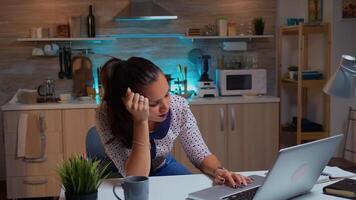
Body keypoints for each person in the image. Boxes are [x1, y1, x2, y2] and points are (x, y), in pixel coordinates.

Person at [95, 57, 251, 188]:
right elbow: (136, 178)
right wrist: (140, 121)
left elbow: (200, 153)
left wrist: (219, 171)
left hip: (163, 165)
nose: (165, 106)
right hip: (120, 174)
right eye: (153, 104)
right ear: (127, 102)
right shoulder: (107, 114)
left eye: (167, 94)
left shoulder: (178, 106)